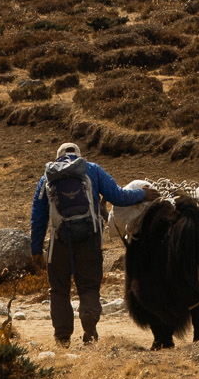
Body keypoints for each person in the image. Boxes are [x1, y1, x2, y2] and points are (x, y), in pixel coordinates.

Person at [30, 140, 150, 345]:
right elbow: (118, 196)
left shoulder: (47, 177)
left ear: (58, 156)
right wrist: (143, 193)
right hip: (89, 239)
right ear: (78, 154)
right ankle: (89, 322)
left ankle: (62, 337)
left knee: (59, 290)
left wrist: (36, 250)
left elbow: (38, 217)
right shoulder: (92, 170)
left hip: (58, 242)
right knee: (89, 287)